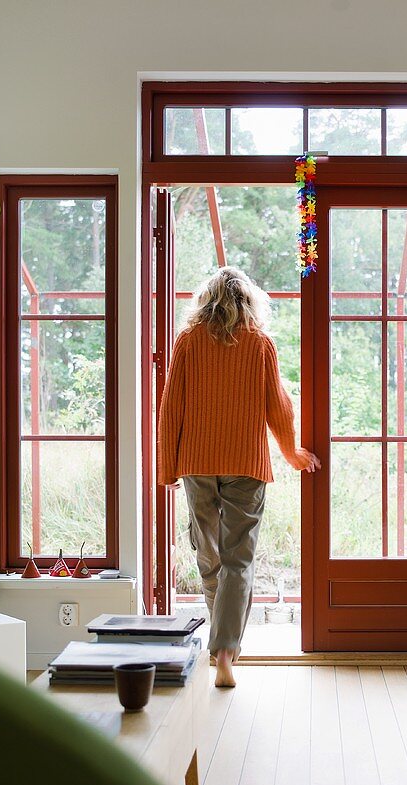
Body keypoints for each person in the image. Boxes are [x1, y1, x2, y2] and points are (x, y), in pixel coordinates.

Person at [157, 266, 320, 687]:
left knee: (208, 553)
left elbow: (170, 407)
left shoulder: (188, 341)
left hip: (196, 462)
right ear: (249, 303)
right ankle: (225, 649)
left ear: (206, 301)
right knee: (237, 558)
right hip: (245, 464)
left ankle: (221, 645)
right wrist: (291, 453)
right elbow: (278, 407)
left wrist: (167, 466)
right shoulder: (259, 344)